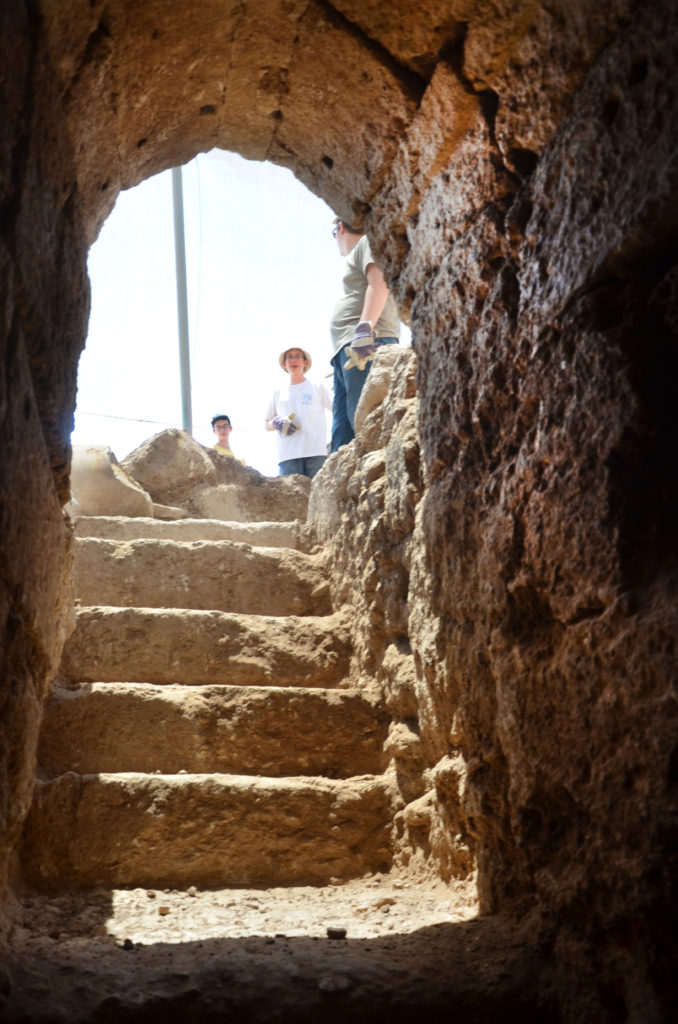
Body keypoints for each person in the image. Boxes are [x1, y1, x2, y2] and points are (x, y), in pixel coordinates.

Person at [329, 217, 400, 451]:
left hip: (366, 344)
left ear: (340, 227)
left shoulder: (367, 242)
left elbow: (379, 282)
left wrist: (364, 328)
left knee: (367, 426)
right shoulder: (360, 250)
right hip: (349, 349)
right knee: (344, 438)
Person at [265, 347, 331, 478]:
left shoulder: (317, 387)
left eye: (297, 356)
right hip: (288, 457)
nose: (293, 360)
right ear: (284, 364)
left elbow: (337, 409)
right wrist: (277, 423)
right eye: (289, 357)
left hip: (316, 454)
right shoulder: (278, 391)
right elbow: (267, 424)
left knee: (317, 497)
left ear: (305, 362)